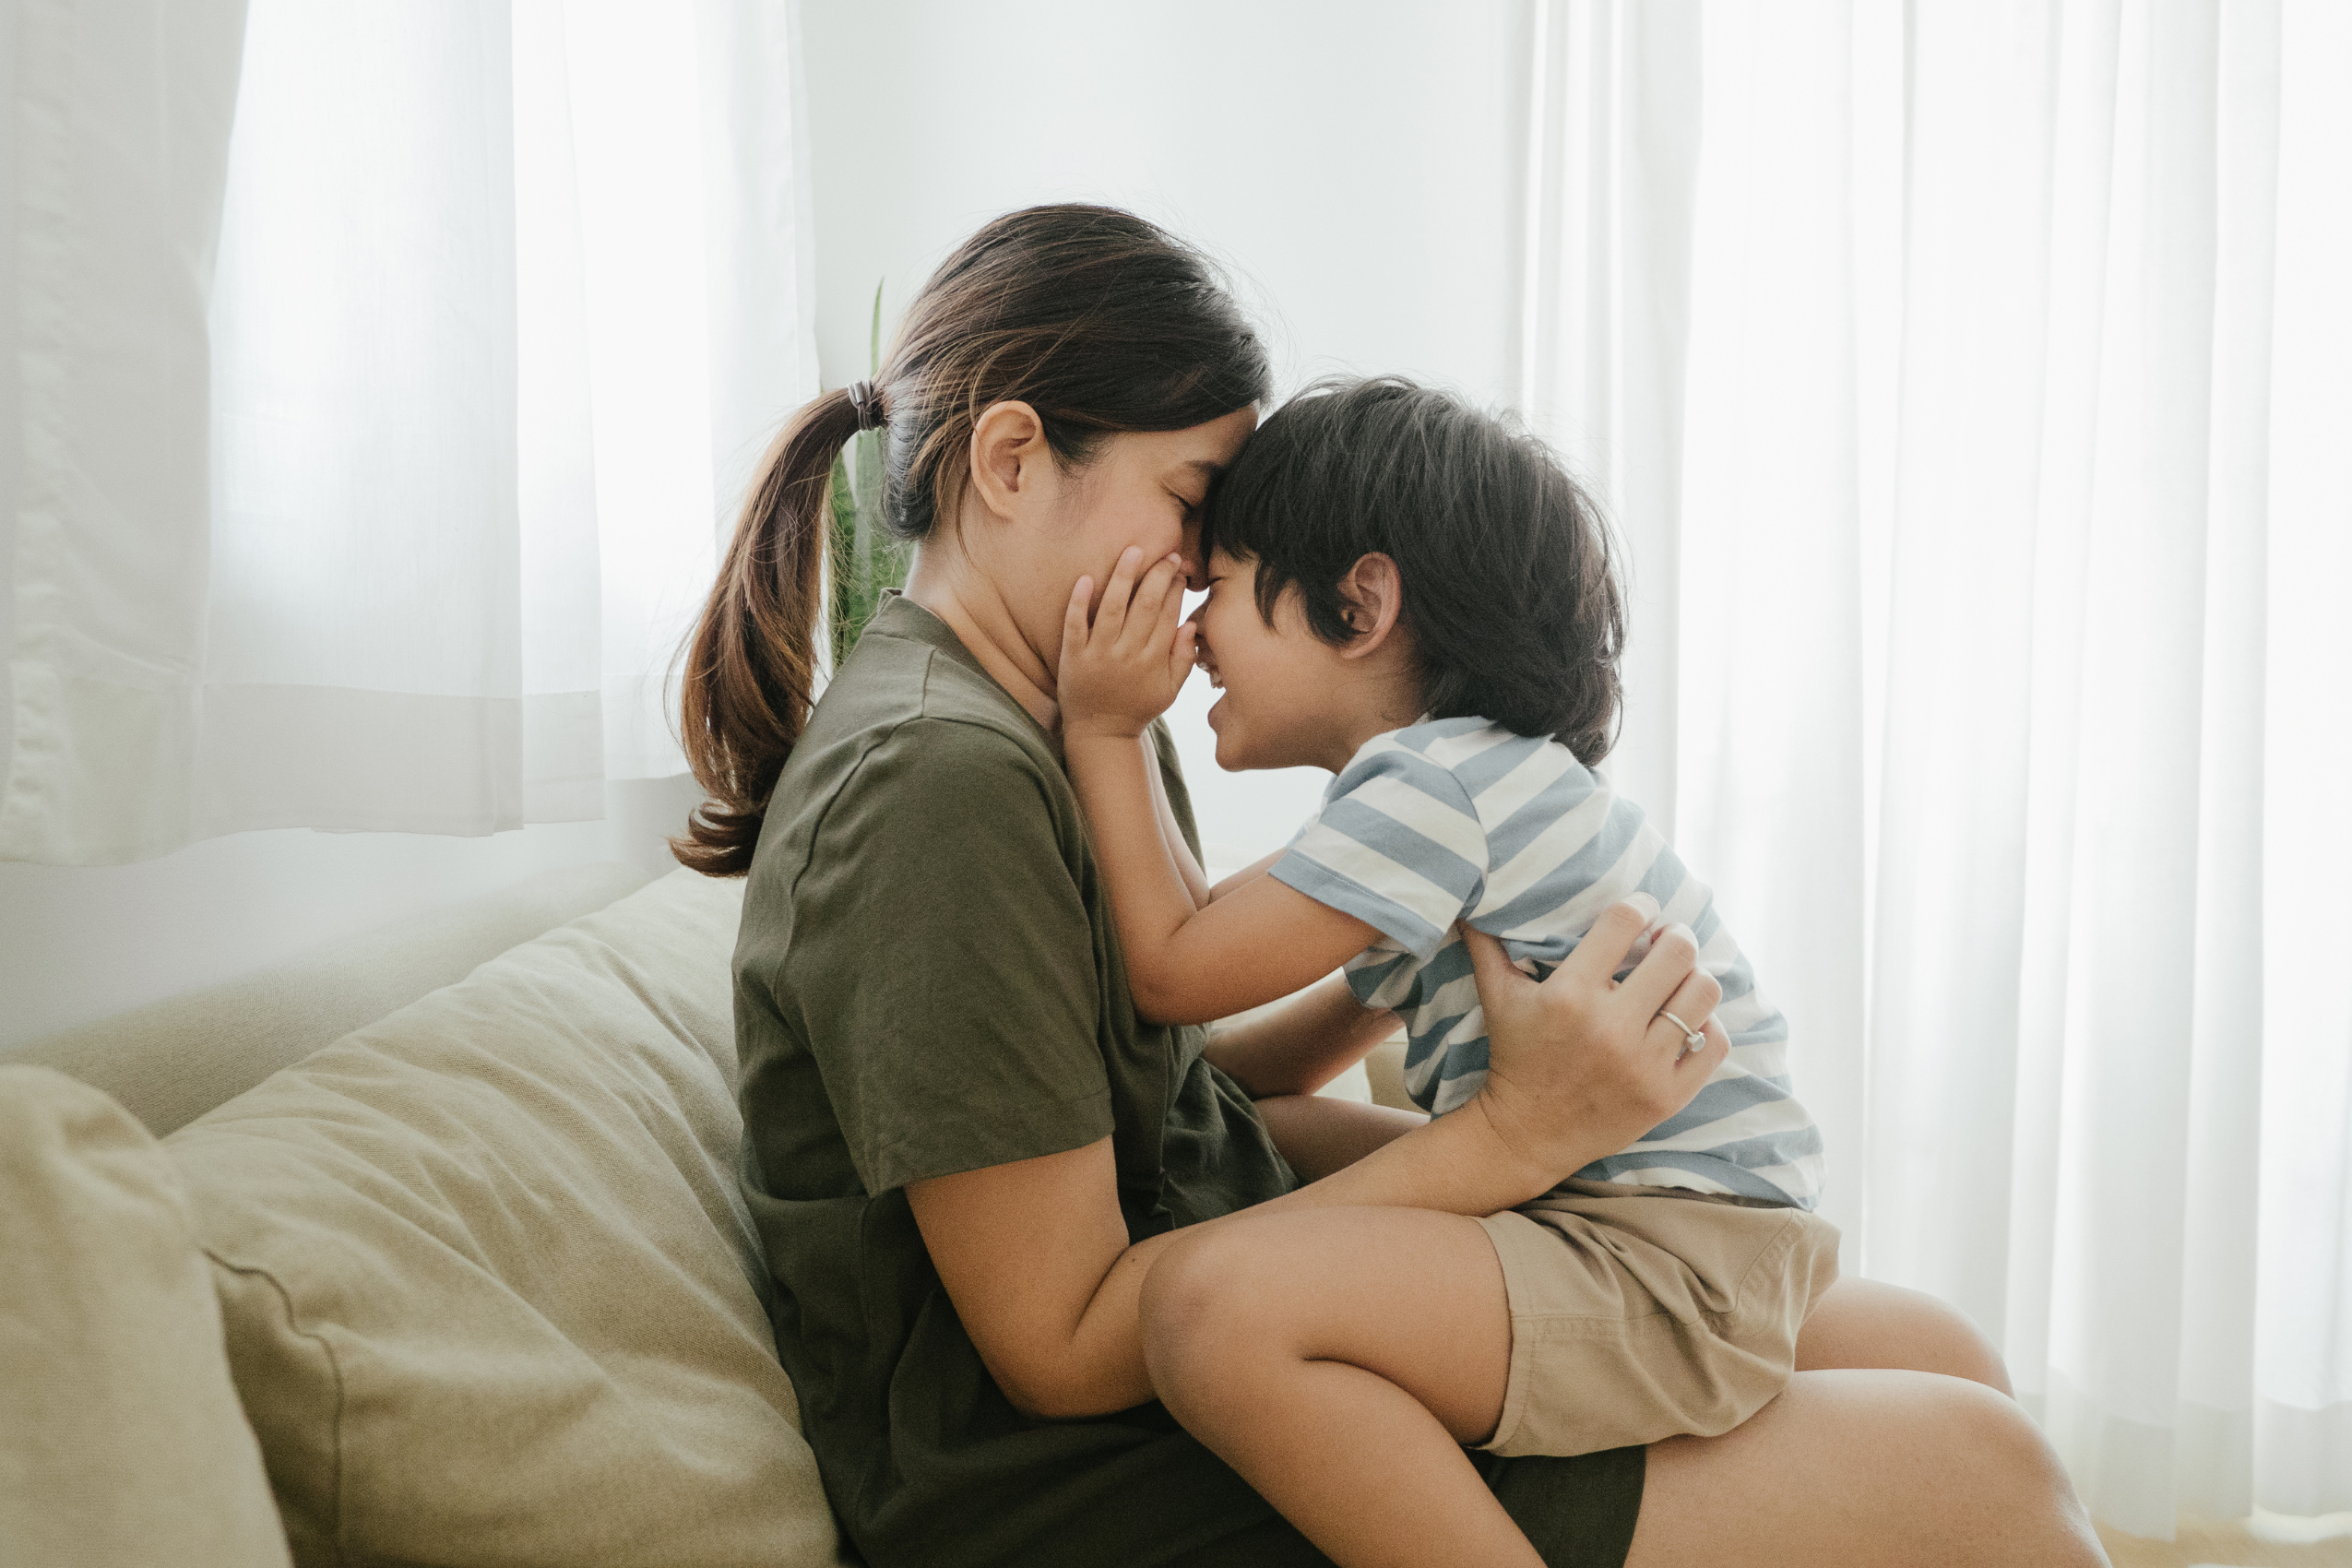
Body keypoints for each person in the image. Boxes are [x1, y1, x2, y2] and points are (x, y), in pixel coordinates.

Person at [677, 202, 2110, 1568]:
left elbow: (1154, 1084)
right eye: (1192, 503)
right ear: (1006, 461)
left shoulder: (1061, 717)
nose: (1197, 580)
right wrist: (1511, 1138)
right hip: (1097, 1472)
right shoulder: (941, 787)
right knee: (1985, 1479)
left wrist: (1407, 977)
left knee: (1931, 1353)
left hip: (1228, 1314)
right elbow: (1054, 1348)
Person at [1056, 375, 1839, 1568]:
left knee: (1214, 1317)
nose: (1191, 629)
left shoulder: (1429, 792)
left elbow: (1171, 967)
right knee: (1287, 1136)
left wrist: (1105, 731)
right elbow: (1254, 1065)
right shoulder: (1475, 795)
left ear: (1358, 604)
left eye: (1216, 588)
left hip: (1665, 1255)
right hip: (1690, 1228)